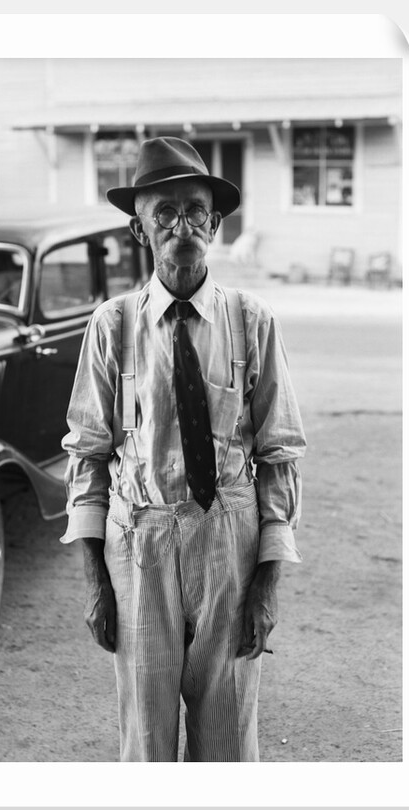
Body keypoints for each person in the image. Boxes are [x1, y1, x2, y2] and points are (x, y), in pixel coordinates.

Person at [60, 136, 306, 762]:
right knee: (145, 737)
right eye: (162, 214)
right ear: (141, 230)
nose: (181, 227)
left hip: (229, 541)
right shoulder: (111, 324)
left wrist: (267, 585)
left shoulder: (252, 320)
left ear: (216, 225)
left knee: (227, 732)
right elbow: (87, 455)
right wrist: (95, 582)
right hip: (138, 542)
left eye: (195, 211)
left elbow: (279, 456)